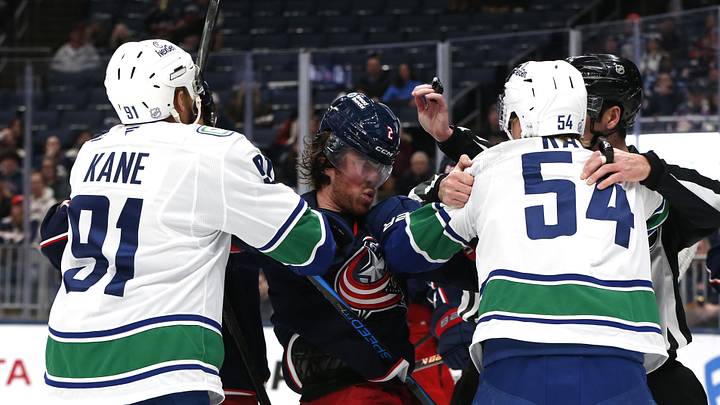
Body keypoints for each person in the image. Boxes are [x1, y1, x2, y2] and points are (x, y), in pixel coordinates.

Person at [41, 39, 336, 405]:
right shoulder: (216, 151)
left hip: (67, 365)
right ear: (179, 98)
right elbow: (313, 247)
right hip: (159, 364)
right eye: (190, 87)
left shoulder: (91, 153)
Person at [413, 53, 720, 405]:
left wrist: (653, 171)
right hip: (533, 354)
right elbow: (507, 163)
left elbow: (714, 202)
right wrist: (449, 142)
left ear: (611, 116)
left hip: (645, 364)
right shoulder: (537, 163)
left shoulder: (650, 183)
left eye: (577, 101)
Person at [252, 92, 458, 404]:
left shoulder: (384, 217)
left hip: (399, 394)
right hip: (336, 396)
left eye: (381, 168)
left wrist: (446, 167)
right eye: (364, 164)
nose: (373, 179)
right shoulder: (290, 226)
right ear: (328, 157)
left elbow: (419, 226)